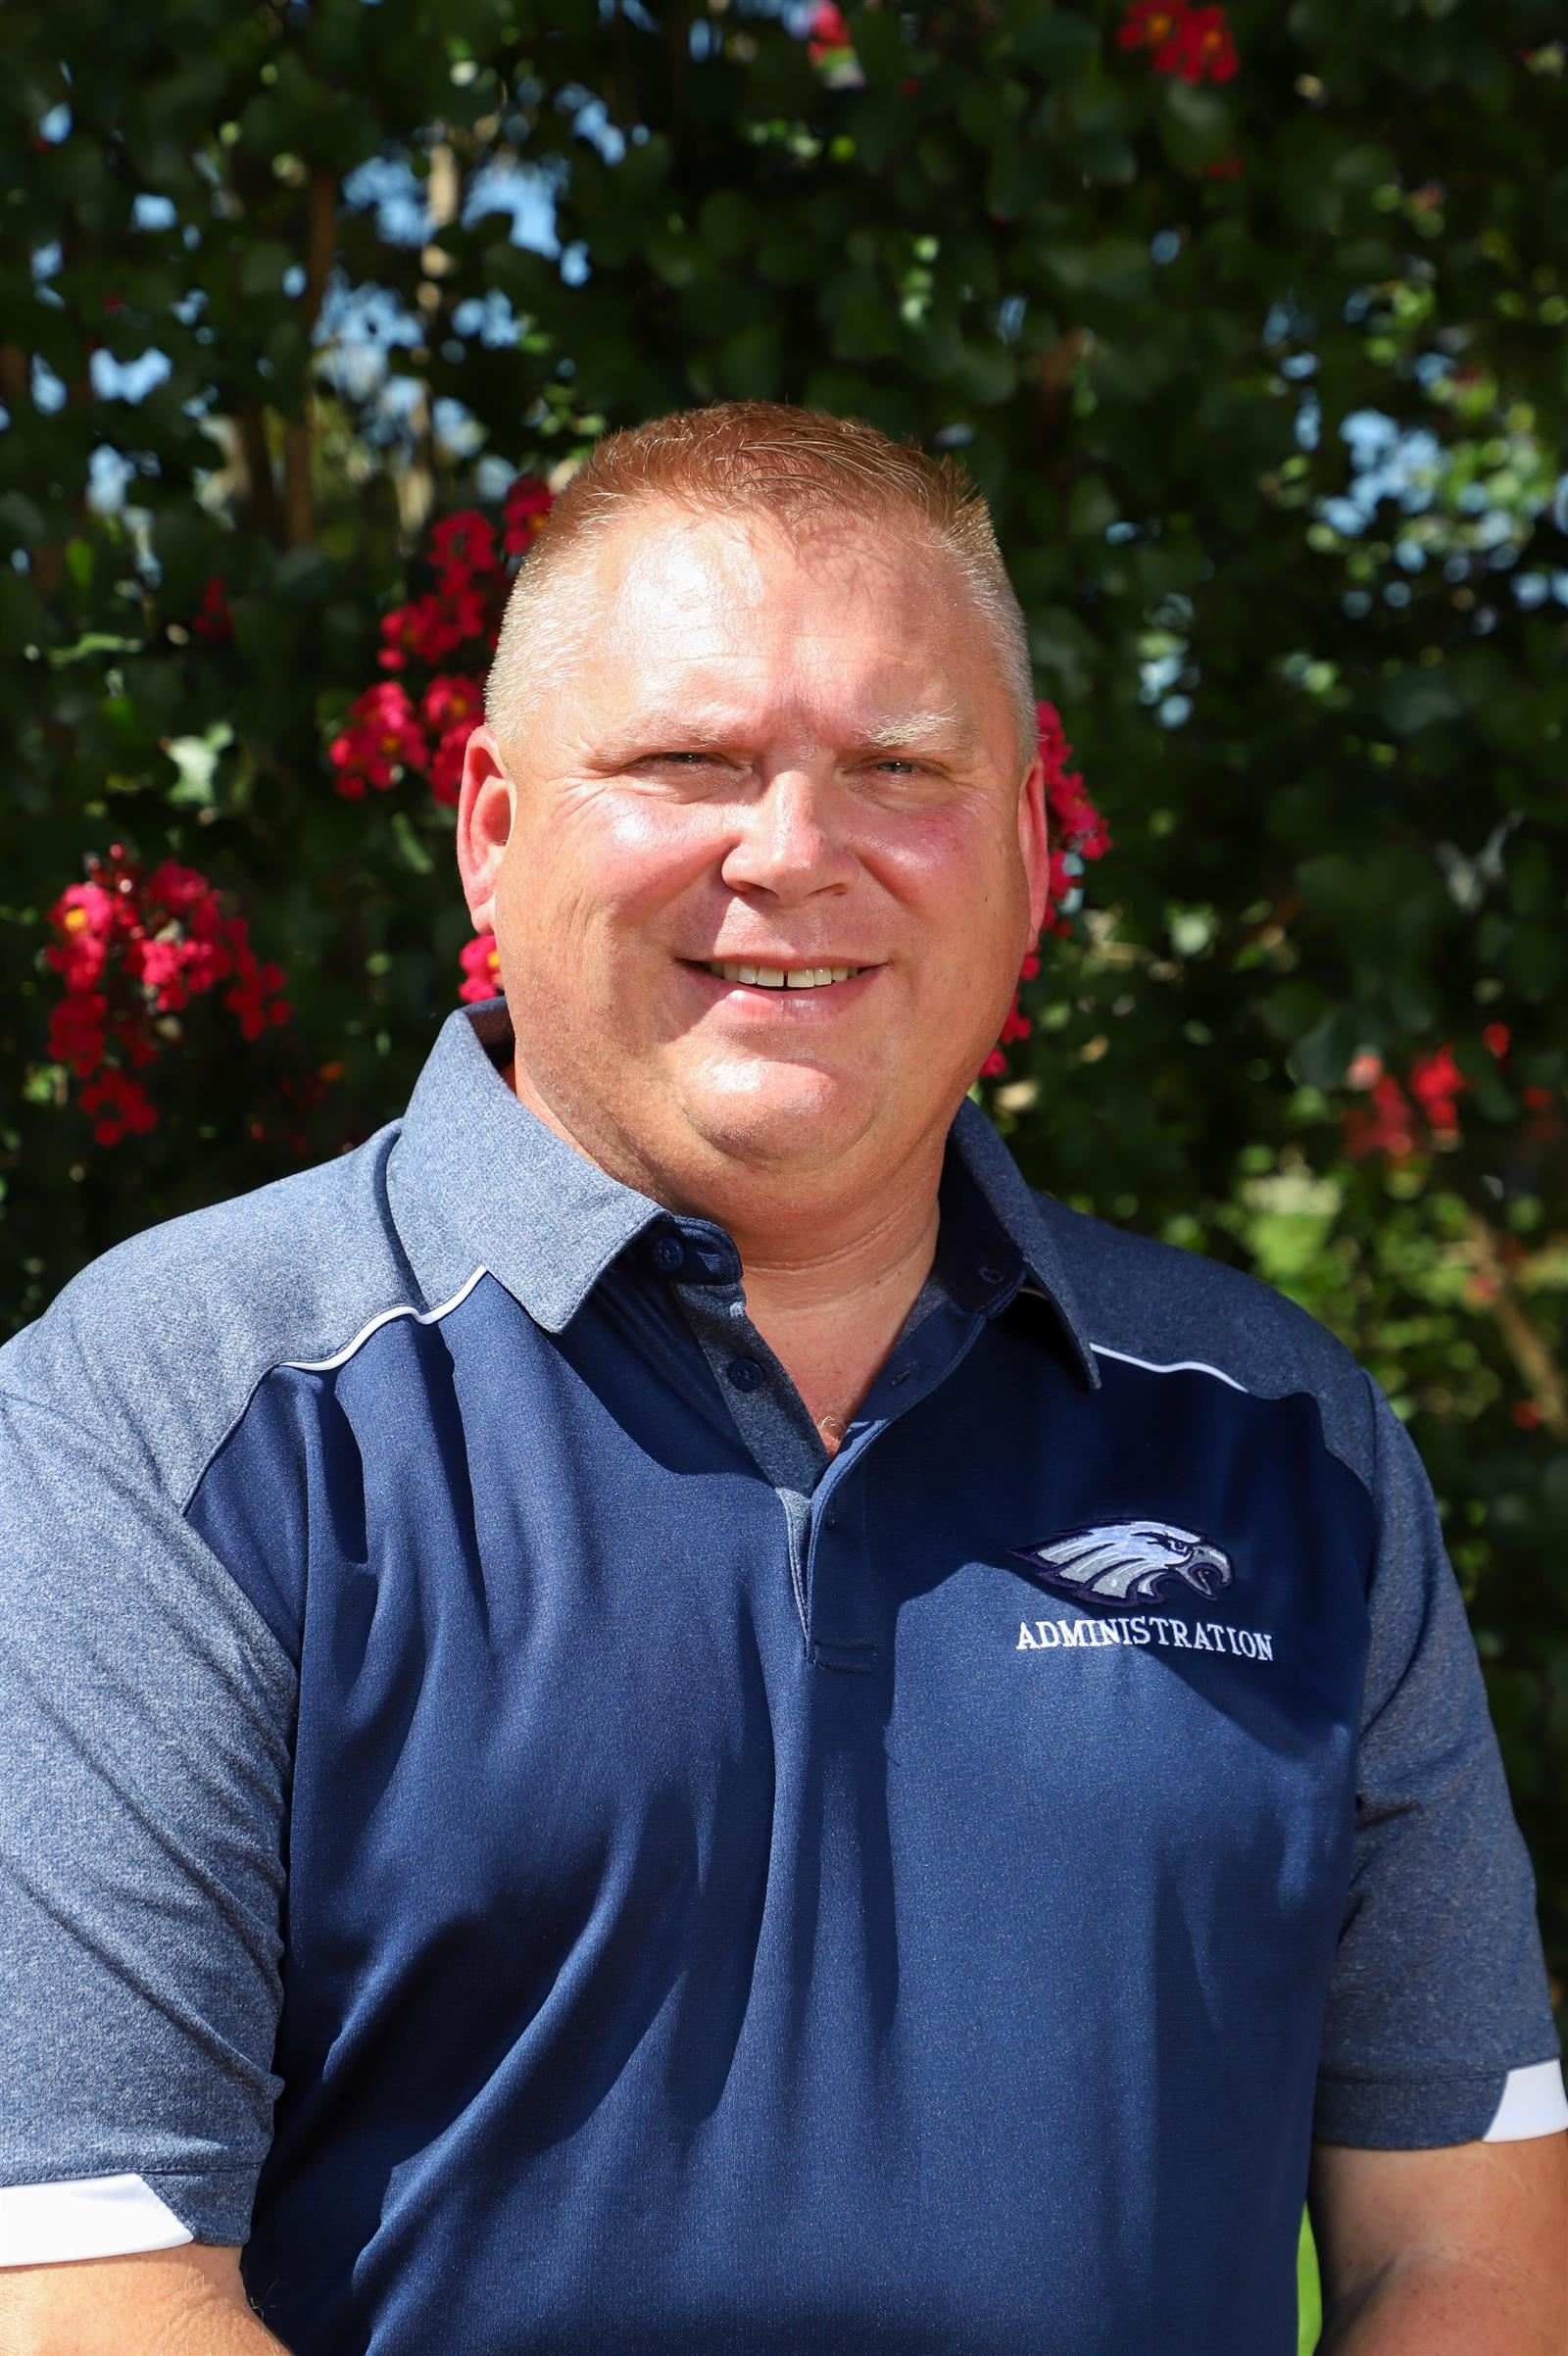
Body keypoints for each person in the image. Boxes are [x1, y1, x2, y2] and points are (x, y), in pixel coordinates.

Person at [1, 403, 1563, 2356]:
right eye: (690, 763)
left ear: (1023, 850)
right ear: (491, 827)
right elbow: (88, 2292)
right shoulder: (174, 1418)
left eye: (896, 769)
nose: (794, 853)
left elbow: (1466, 2256)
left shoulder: (1285, 1441)